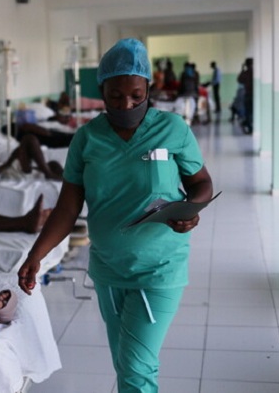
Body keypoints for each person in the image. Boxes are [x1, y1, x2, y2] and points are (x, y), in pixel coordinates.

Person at [17, 38, 213, 393]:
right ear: (102, 92)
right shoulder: (87, 139)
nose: (126, 104)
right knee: (125, 363)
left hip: (160, 267)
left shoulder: (172, 129)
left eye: (137, 96)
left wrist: (192, 209)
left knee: (136, 368)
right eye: (115, 96)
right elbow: (68, 207)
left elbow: (200, 182)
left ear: (148, 88)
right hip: (108, 270)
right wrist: (37, 255)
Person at [0, 133, 64, 182]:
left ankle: (59, 176)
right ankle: (49, 174)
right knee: (29, 138)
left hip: (21, 168)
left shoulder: (16, 153)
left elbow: (2, 165)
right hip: (17, 173)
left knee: (54, 164)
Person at [237, 57, 254, 134]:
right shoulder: (255, 72)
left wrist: (242, 69)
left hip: (248, 94)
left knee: (248, 111)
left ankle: (250, 128)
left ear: (246, 64)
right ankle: (250, 126)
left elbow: (239, 80)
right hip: (253, 95)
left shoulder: (246, 73)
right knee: (251, 112)